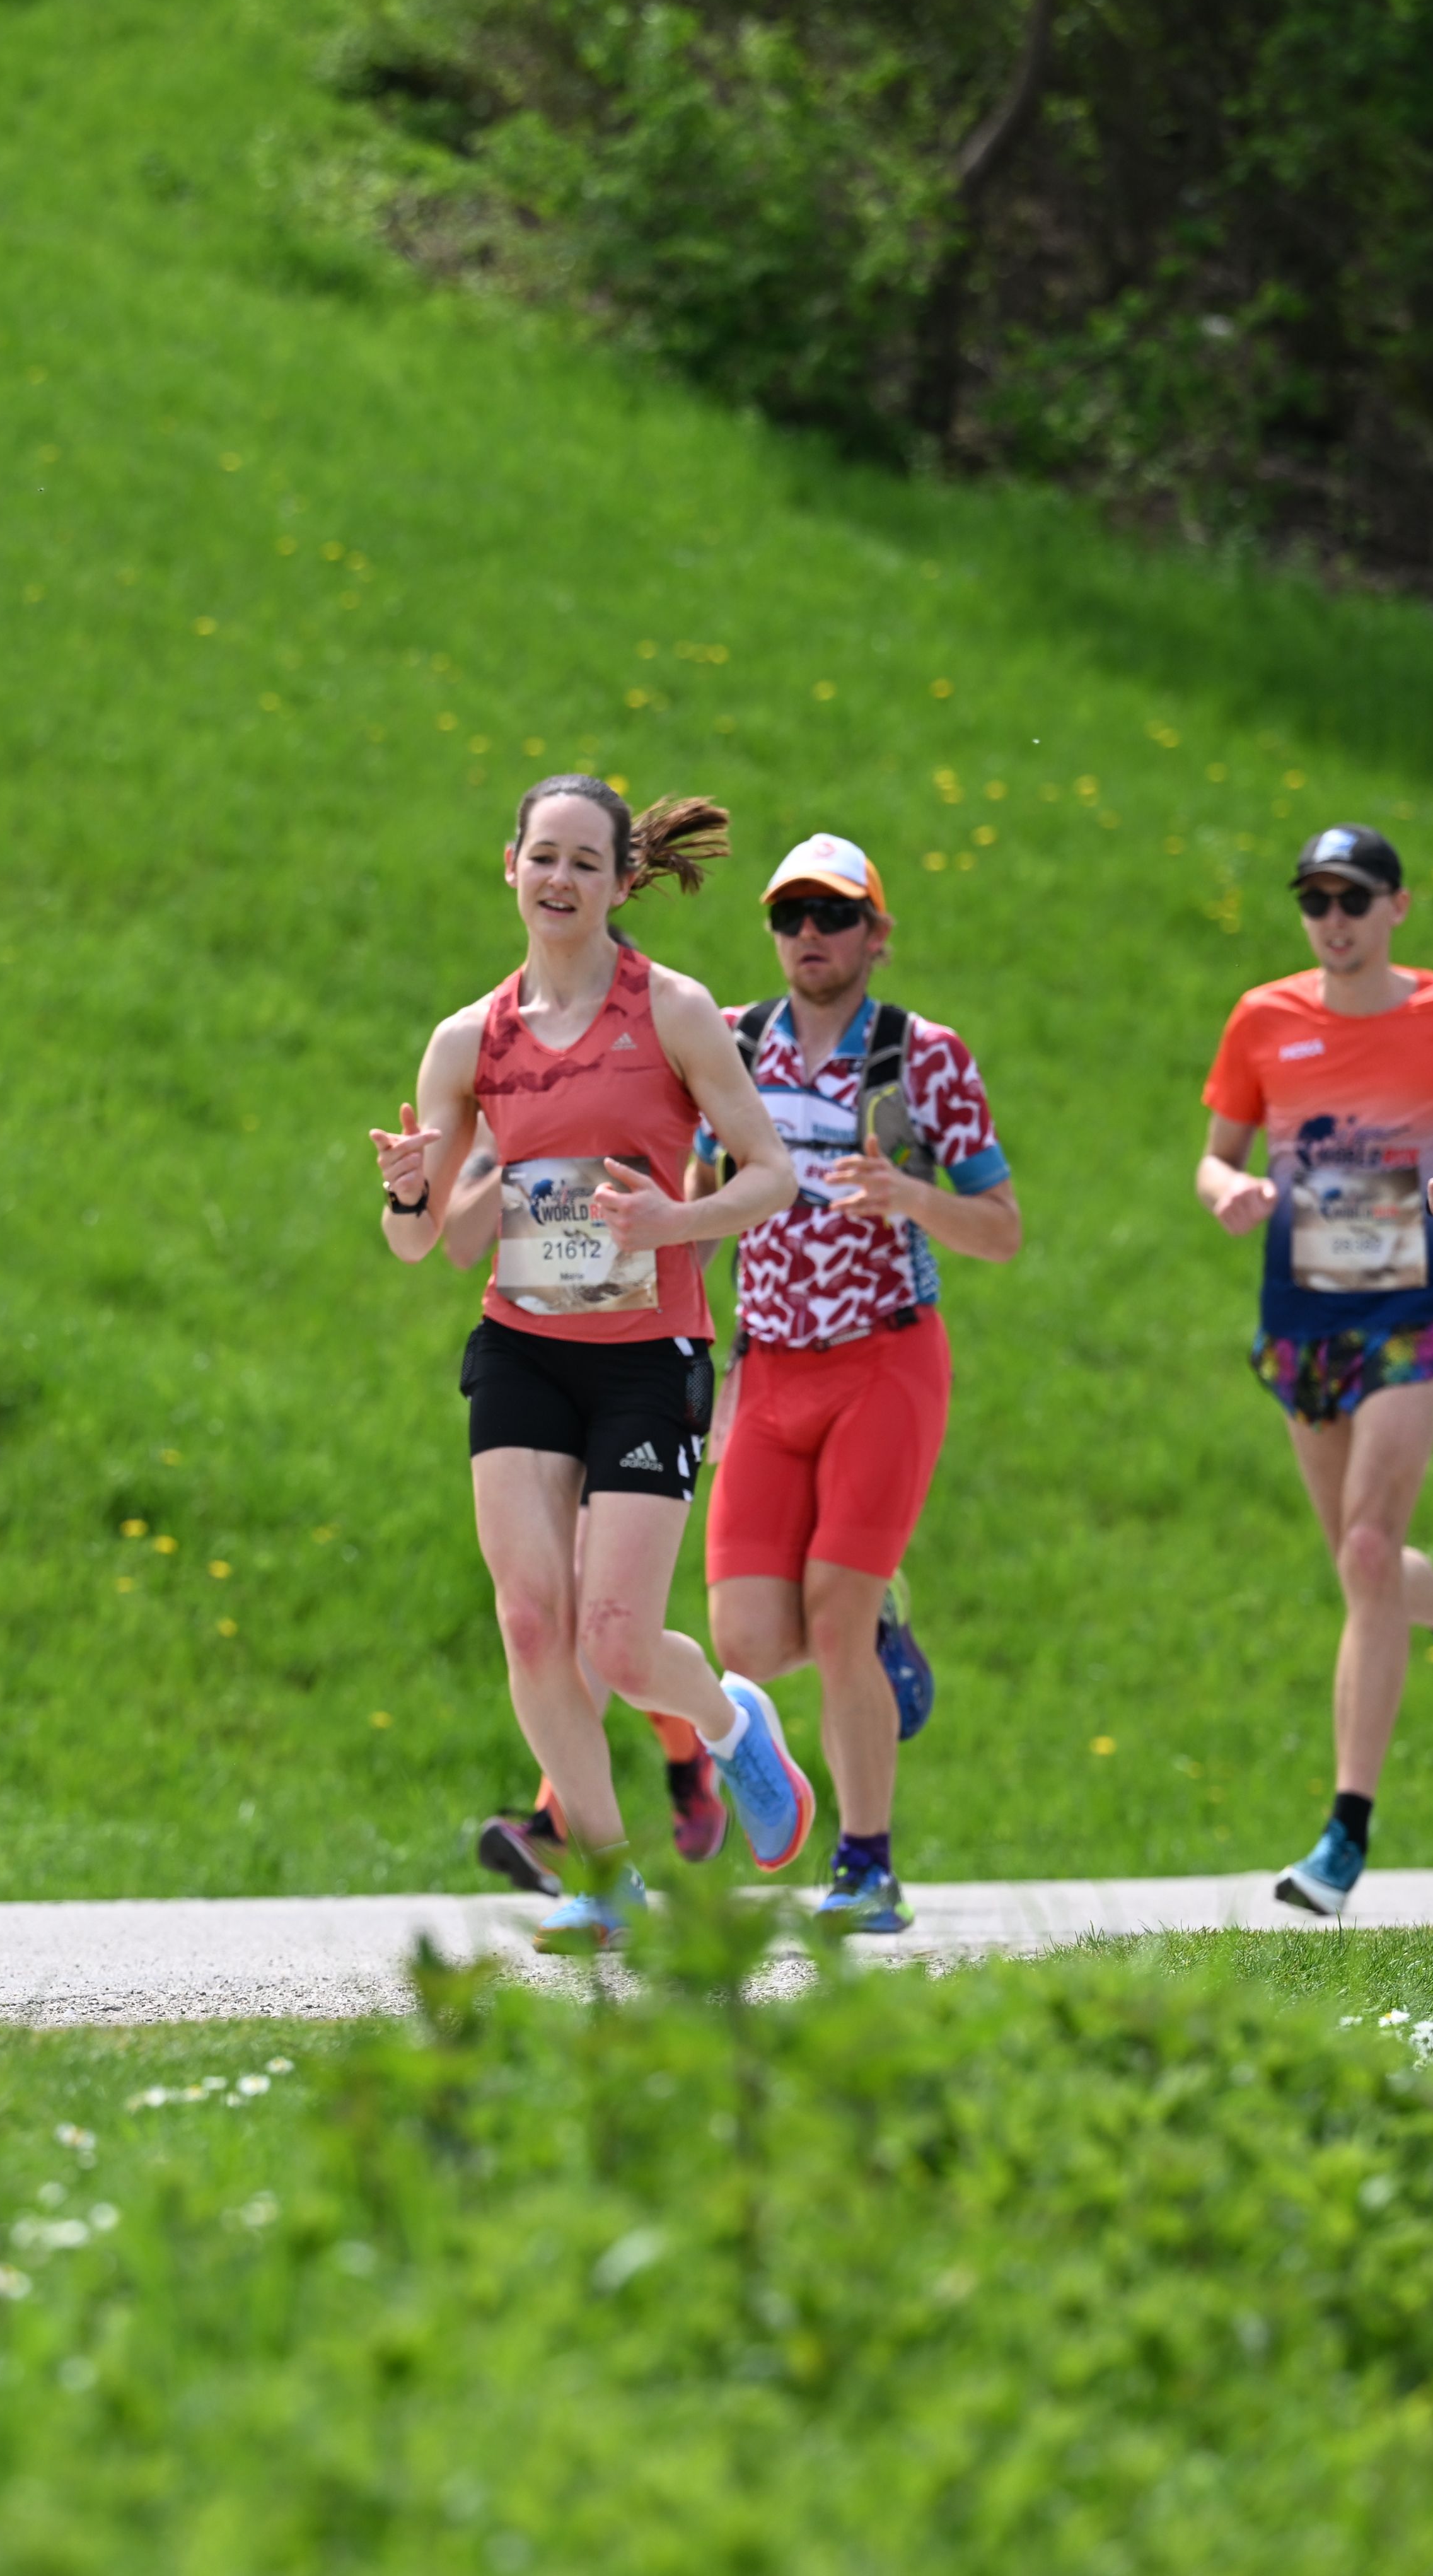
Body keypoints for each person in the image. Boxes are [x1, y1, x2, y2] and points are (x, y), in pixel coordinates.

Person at [369, 776, 809, 1952]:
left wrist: (672, 1223)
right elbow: (423, 1243)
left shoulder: (673, 1011)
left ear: (622, 883)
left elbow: (772, 1176)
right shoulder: (468, 1040)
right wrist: (408, 1190)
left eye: (584, 862)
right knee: (530, 1624)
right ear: (510, 865)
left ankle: (731, 1722)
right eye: (543, 856)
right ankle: (607, 1879)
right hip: (522, 1349)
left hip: (647, 1356)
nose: (559, 879)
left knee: (615, 1638)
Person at [689, 834, 1021, 1935]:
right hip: (767, 1366)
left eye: (833, 915)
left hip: (885, 1358)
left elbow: (1002, 1229)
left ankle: (866, 1866)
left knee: (830, 1612)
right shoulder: (730, 1043)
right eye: (790, 916)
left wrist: (911, 1197)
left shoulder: (925, 1057)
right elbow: (701, 1196)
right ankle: (877, 1631)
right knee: (745, 1641)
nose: (810, 936)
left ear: (877, 934)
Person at [1199, 826, 1433, 1918]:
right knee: (1360, 1565)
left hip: (1408, 1305)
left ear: (1398, 906)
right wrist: (1229, 1194)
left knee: (1373, 1546)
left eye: (1353, 899)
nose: (1332, 920)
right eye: (1315, 901)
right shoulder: (1263, 1017)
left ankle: (1345, 1833)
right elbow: (1216, 1157)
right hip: (1301, 1314)